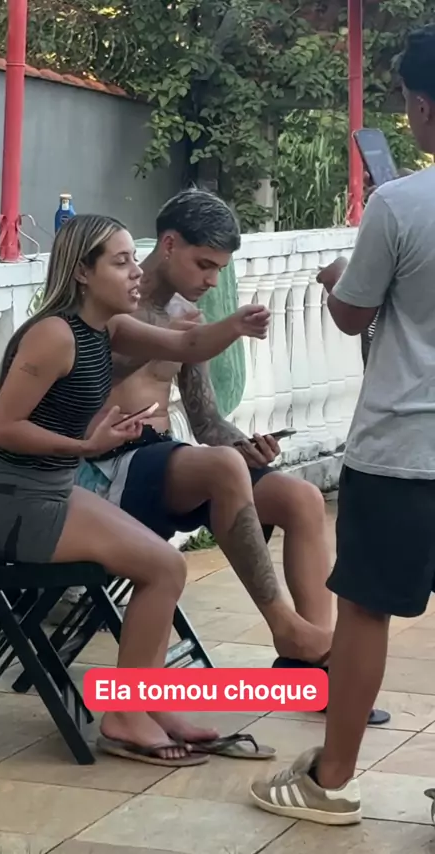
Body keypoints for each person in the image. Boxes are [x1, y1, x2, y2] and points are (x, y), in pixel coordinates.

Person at [0, 213, 274, 768]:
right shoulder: (54, 334)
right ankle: (126, 715)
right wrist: (86, 446)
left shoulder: (107, 328)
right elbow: (4, 428)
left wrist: (237, 324)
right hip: (16, 505)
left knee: (164, 566)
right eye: (120, 261)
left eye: (134, 258)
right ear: (82, 272)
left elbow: (189, 343)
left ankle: (148, 703)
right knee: (164, 567)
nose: (136, 271)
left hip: (52, 491)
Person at [75, 188, 387, 725]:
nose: (212, 281)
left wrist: (246, 446)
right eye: (204, 265)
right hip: (106, 469)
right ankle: (286, 627)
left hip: (163, 463)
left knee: (300, 497)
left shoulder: (186, 315)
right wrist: (170, 341)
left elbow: (206, 423)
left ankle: (312, 668)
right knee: (221, 468)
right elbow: (80, 383)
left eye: (219, 269)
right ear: (169, 244)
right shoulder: (111, 302)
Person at [249, 24, 435, 824]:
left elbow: (354, 314)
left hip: (401, 448)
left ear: (421, 107)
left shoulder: (401, 204)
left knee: (363, 609)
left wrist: (338, 279)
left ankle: (332, 781)